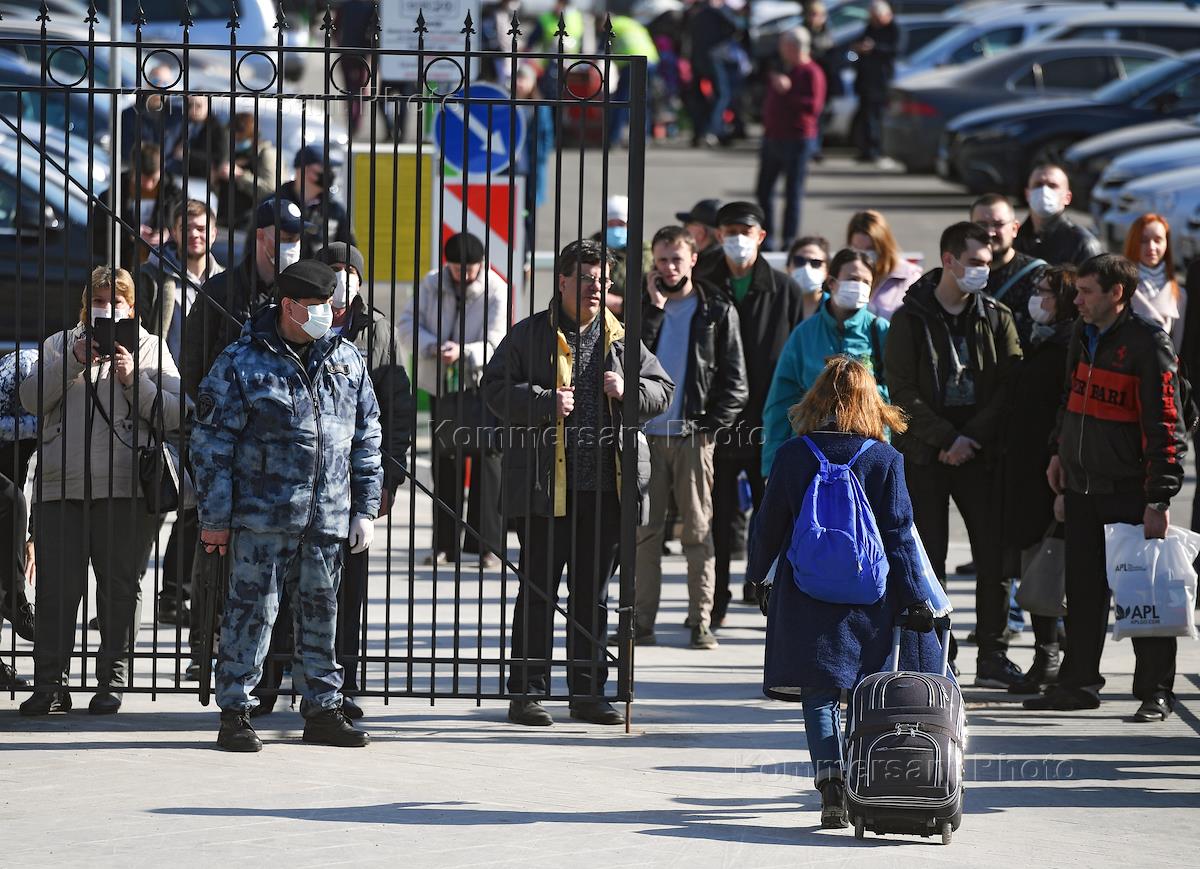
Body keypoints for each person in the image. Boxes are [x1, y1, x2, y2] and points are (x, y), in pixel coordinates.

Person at [191, 259, 383, 751]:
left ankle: (322, 708)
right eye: (316, 307)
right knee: (250, 617)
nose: (326, 315)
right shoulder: (241, 361)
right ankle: (236, 710)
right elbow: (212, 444)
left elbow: (367, 438)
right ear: (289, 306)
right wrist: (214, 519)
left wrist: (365, 506)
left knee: (322, 616)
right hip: (261, 520)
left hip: (326, 519)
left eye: (329, 307)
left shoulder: (347, 360)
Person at [481, 239, 674, 728]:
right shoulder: (528, 336)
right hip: (545, 488)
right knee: (538, 591)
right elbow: (494, 389)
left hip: (605, 490)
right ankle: (527, 691)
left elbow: (664, 389)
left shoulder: (621, 339)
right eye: (587, 280)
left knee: (593, 594)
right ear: (562, 281)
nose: (596, 289)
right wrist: (545, 401)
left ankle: (588, 692)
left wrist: (631, 390)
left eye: (603, 281)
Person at [746, 356, 943, 829]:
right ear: (870, 402)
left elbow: (768, 525)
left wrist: (758, 578)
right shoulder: (885, 459)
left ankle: (830, 784)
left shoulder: (793, 455)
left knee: (818, 694)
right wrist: (917, 597)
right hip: (869, 596)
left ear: (817, 400)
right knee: (865, 692)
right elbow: (898, 534)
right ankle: (863, 782)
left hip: (804, 591)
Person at [18, 267, 183, 716]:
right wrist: (72, 359)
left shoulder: (149, 347)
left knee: (120, 587)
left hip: (125, 488)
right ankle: (50, 683)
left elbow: (177, 412)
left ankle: (112, 679)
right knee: (56, 591)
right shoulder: (59, 344)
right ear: (85, 307)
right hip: (60, 488)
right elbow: (30, 398)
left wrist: (134, 381)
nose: (108, 312)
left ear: (132, 308)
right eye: (100, 303)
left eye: (117, 303)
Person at [1031, 255, 1188, 720]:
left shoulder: (1148, 343)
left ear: (1116, 293)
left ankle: (1155, 692)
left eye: (1085, 292)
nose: (1076, 300)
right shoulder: (1084, 334)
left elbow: (1166, 425)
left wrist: (1159, 497)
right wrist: (1059, 452)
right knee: (1082, 593)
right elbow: (1070, 397)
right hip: (1081, 486)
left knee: (1143, 594)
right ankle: (1078, 683)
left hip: (1129, 491)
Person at [885, 222, 1024, 688]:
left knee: (993, 556)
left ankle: (993, 651)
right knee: (928, 558)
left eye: (988, 263)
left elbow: (1009, 385)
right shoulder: (910, 318)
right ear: (949, 260)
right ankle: (937, 652)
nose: (984, 271)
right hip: (927, 455)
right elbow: (900, 391)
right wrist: (946, 439)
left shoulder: (996, 315)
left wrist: (970, 440)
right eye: (976, 263)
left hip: (980, 455)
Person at [633, 226, 748, 649]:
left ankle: (700, 621)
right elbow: (625, 364)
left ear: (693, 259)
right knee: (644, 532)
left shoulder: (716, 308)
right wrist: (654, 311)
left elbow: (736, 382)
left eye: (676, 259)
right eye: (661, 260)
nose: (669, 267)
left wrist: (710, 428)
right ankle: (640, 622)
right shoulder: (642, 309)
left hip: (693, 436)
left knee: (697, 533)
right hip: (645, 436)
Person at [319, 241, 414, 712]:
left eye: (349, 270)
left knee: (349, 587)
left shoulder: (376, 330)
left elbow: (397, 407)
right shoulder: (297, 317)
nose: (342, 278)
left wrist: (389, 479)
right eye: (333, 269)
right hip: (299, 484)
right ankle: (276, 677)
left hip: (354, 483)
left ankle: (343, 683)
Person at [707, 201, 806, 624]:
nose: (737, 239)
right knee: (716, 515)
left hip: (770, 423)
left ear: (761, 236)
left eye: (746, 231)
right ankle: (715, 600)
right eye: (729, 230)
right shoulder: (703, 282)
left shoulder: (785, 289)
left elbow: (798, 358)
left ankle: (766, 591)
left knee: (772, 514)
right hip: (716, 419)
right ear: (716, 236)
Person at [397, 232, 507, 567]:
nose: (462, 275)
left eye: (469, 269)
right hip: (442, 385)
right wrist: (433, 345)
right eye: (456, 269)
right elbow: (406, 326)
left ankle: (488, 547)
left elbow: (497, 340)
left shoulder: (495, 289)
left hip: (480, 384)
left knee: (489, 462)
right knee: (446, 462)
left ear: (480, 265)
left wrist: (464, 352)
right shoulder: (431, 284)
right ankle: (444, 544)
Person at [1001, 266, 1076, 696]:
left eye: (1045, 293)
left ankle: (1060, 654)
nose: (1037, 299)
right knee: (1037, 563)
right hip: (1028, 472)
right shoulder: (1039, 340)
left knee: (1057, 567)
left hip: (1056, 470)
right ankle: (1049, 651)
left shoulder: (1072, 345)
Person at [762, 248, 888, 479]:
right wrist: (772, 465)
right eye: (852, 279)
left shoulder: (880, 331)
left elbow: (897, 398)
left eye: (865, 281)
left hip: (867, 457)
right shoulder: (804, 334)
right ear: (831, 282)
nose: (858, 285)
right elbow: (780, 402)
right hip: (810, 455)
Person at [182, 197, 305, 400]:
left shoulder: (301, 293)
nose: (292, 245)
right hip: (228, 417)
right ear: (260, 235)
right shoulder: (219, 289)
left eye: (296, 238)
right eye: (285, 237)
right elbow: (192, 362)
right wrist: (216, 406)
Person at [756, 28, 826, 251]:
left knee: (792, 193)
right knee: (763, 191)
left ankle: (788, 241)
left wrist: (788, 91)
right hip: (773, 137)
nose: (780, 50)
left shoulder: (811, 72)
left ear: (795, 47)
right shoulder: (786, 69)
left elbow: (813, 107)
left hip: (797, 140)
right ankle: (767, 238)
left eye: (784, 46)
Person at [142, 198, 225, 368]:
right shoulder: (150, 276)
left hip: (213, 384)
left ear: (214, 234)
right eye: (186, 228)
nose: (194, 234)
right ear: (174, 233)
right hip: (164, 381)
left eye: (201, 229)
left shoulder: (225, 281)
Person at [0, 348, 38, 687]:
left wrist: (32, 536)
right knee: (13, 501)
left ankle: (11, 593)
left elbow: (49, 471)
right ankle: (15, 596)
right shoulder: (19, 370)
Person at [971, 193, 1046, 349]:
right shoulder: (959, 273)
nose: (990, 232)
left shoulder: (1039, 275)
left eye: (998, 224)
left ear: (1014, 228)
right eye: (981, 225)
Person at [92, 142, 182, 269]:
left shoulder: (175, 195)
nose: (149, 185)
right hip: (122, 271)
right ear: (133, 170)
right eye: (143, 179)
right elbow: (95, 240)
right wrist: (129, 235)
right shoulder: (111, 196)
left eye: (154, 179)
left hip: (163, 271)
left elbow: (187, 234)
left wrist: (170, 235)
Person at [1014, 163, 1103, 268]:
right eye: (1038, 185)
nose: (1044, 191)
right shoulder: (1014, 238)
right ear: (1027, 195)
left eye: (1052, 186)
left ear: (1067, 197)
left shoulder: (1082, 244)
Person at [278, 145, 355, 259]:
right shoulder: (274, 205)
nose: (331, 174)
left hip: (322, 276)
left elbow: (349, 252)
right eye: (326, 168)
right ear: (306, 170)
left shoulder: (335, 209)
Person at [1124, 213, 1187, 352]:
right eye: (1143, 240)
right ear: (1133, 242)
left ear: (1167, 243)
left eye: (1158, 240)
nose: (1151, 247)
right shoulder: (1121, 286)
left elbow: (1177, 349)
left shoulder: (1179, 294)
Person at [846, 209, 921, 321]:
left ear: (884, 246)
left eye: (870, 249)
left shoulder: (909, 277)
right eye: (857, 250)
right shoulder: (843, 275)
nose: (863, 257)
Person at [686, 0, 743, 148]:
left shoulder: (696, 10)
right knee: (721, 95)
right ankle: (711, 131)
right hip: (714, 57)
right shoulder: (717, 10)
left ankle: (700, 132)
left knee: (700, 97)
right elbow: (736, 27)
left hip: (697, 57)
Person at [850, 1, 899, 165]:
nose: (874, 20)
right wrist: (858, 49)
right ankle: (866, 150)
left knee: (877, 117)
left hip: (881, 81)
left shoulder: (894, 29)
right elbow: (857, 46)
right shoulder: (869, 28)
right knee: (865, 117)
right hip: (864, 79)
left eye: (877, 17)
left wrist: (874, 48)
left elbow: (895, 51)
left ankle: (877, 150)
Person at [215, 112, 279, 229]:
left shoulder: (266, 154)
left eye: (240, 137)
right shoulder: (229, 153)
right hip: (224, 219)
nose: (236, 140)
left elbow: (271, 191)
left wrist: (240, 176)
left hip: (250, 221)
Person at [805, 0, 839, 162]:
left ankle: (815, 148)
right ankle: (808, 147)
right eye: (812, 14)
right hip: (804, 82)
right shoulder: (803, 33)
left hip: (823, 82)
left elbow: (832, 60)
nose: (815, 18)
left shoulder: (828, 35)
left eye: (818, 15)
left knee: (820, 117)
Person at [166, 95, 228, 182]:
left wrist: (189, 155)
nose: (194, 109)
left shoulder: (217, 129)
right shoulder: (180, 121)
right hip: (174, 169)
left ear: (207, 106)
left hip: (200, 177)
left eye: (198, 105)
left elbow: (219, 160)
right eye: (190, 105)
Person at [676, 198, 724, 279]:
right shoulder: (727, 261)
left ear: (700, 233)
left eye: (686, 226)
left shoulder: (701, 270)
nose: (683, 232)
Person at [787, 235, 831, 322]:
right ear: (788, 268)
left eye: (816, 263)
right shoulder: (775, 305)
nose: (806, 268)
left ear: (827, 272)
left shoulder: (836, 310)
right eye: (799, 261)